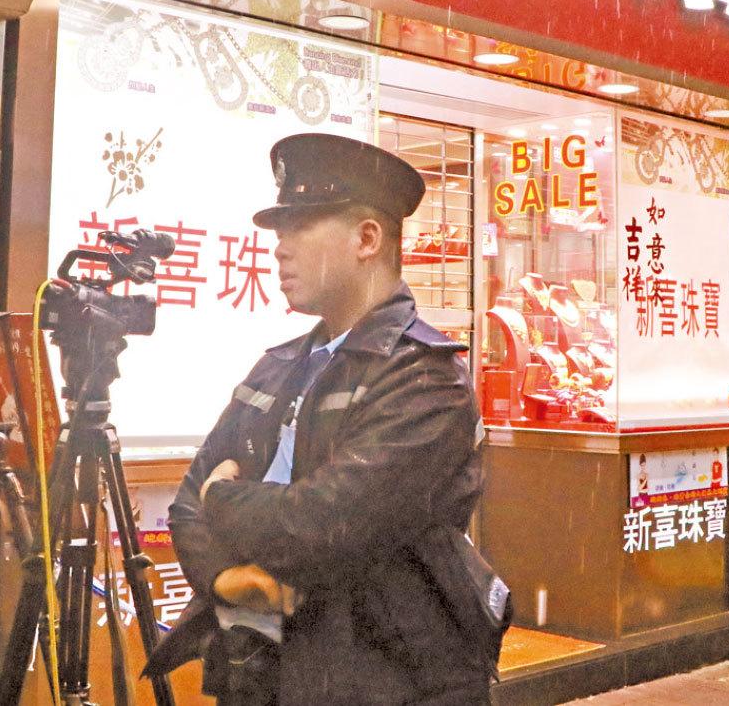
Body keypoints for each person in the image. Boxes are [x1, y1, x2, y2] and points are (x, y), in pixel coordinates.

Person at [144, 133, 499, 705]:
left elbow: (325, 523)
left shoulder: (426, 377)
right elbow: (189, 495)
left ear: (367, 238)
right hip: (260, 674)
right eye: (278, 232)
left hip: (389, 681)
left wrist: (223, 499)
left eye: (300, 227)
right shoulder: (278, 365)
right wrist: (224, 577)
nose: (278, 249)